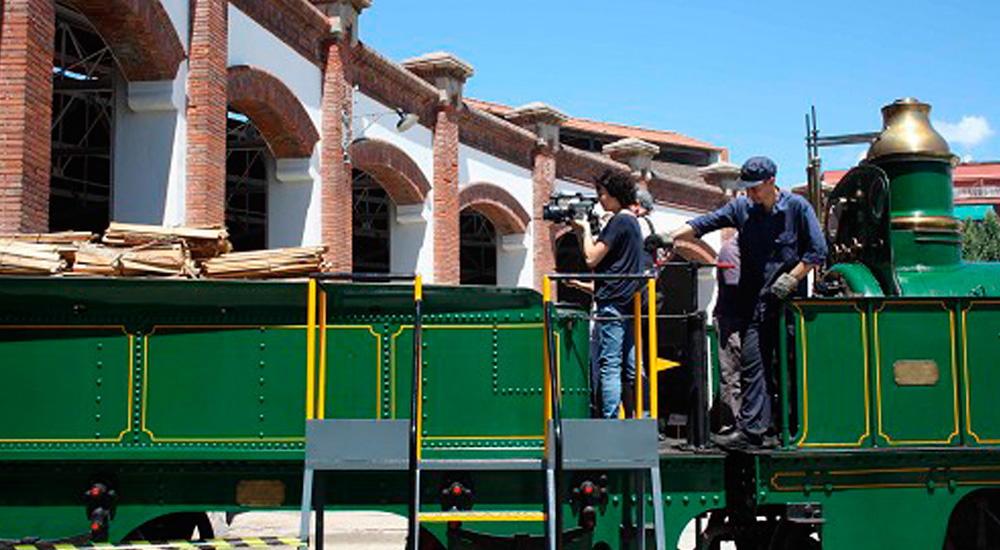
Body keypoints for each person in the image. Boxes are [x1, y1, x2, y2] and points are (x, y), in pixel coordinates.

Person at [662, 157, 827, 449]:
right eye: (746, 188)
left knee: (788, 366)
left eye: (754, 188)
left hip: (789, 306)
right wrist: (665, 237)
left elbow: (817, 251)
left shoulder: (798, 208)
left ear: (771, 181)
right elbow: (703, 224)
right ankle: (752, 432)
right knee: (754, 366)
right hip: (756, 304)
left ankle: (794, 428)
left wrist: (792, 278)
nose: (749, 193)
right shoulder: (741, 207)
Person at [571, 170, 643, 419]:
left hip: (612, 302)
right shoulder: (633, 222)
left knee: (609, 365)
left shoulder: (619, 221)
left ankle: (610, 420)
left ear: (615, 195)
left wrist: (583, 230)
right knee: (631, 366)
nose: (600, 199)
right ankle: (639, 415)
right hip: (628, 302)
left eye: (602, 194)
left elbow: (591, 258)